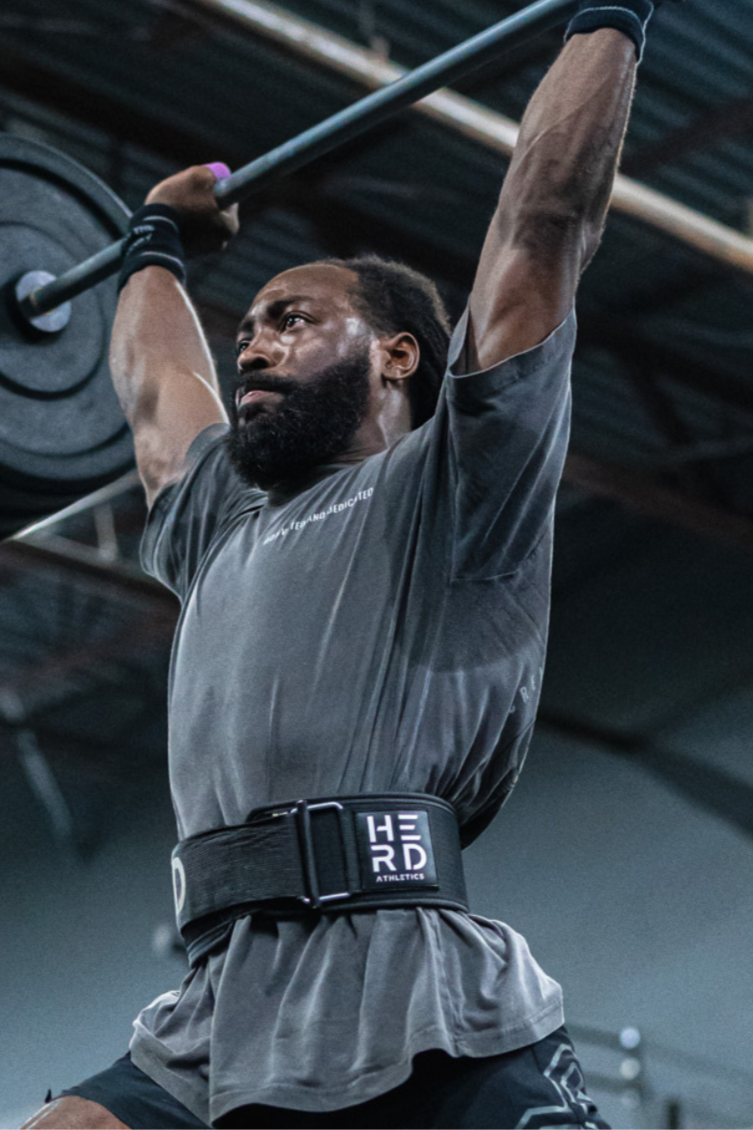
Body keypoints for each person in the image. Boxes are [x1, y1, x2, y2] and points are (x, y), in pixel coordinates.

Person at [22, 2, 678, 1127]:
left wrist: (608, 20)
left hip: (421, 998)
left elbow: (542, 230)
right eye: (250, 330)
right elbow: (154, 393)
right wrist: (151, 243)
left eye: (290, 319)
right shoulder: (223, 515)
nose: (254, 341)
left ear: (397, 353)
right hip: (221, 1006)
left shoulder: (460, 482)